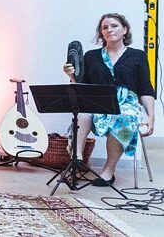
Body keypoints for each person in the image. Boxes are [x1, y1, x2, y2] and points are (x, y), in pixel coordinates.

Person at [63, 13, 155, 186]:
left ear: (124, 30)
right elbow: (83, 86)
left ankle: (108, 171)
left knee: (122, 117)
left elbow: (145, 88)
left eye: (114, 26)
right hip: (98, 100)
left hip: (126, 104)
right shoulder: (91, 56)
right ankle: (77, 160)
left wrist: (151, 117)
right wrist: (72, 76)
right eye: (105, 27)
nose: (109, 30)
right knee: (82, 113)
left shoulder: (138, 56)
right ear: (101, 33)